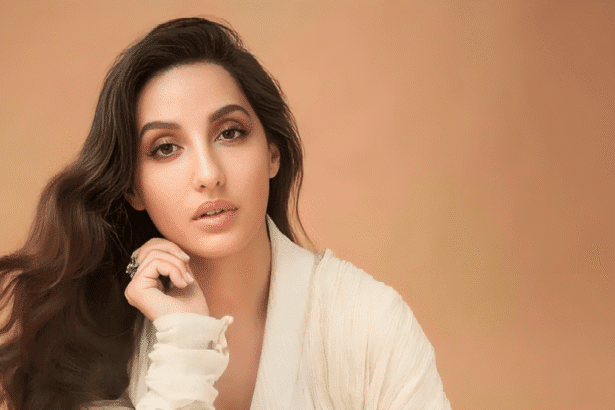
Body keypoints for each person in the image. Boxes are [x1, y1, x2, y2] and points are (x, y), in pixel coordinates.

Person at [0, 17, 451, 410]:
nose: (208, 174)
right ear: (132, 188)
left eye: (230, 133)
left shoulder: (368, 321)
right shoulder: (90, 347)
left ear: (272, 153)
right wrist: (184, 342)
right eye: (166, 148)